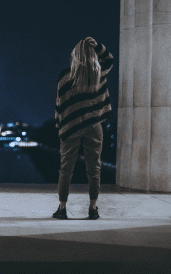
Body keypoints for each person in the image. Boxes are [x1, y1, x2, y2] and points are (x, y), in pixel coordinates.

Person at [52, 36, 114, 220]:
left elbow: (60, 104)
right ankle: (93, 208)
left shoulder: (65, 76)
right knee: (94, 169)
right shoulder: (99, 73)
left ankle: (62, 208)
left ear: (75, 55)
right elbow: (109, 59)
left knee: (65, 169)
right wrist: (98, 46)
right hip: (94, 126)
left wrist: (59, 124)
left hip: (71, 128)